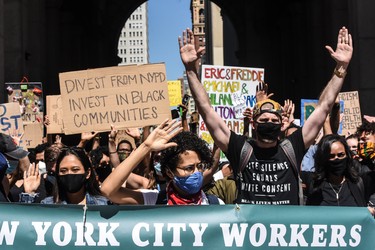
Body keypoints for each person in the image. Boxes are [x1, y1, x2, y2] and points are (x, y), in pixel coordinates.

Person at [179, 26, 353, 205]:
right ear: (254, 124)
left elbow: (324, 107)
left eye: (273, 120)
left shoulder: (293, 147)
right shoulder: (241, 149)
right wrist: (191, 71)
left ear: (280, 123)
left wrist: (341, 68)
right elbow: (206, 110)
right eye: (264, 120)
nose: (269, 123)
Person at [101, 119, 223, 205]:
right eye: (189, 168)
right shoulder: (154, 200)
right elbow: (108, 191)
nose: (196, 172)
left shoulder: (215, 204)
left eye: (200, 166)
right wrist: (146, 147)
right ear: (170, 173)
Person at [306, 134, 375, 215]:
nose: (336, 159)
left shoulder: (358, 183)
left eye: (341, 155)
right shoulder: (314, 185)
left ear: (347, 155)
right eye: (331, 156)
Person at [20, 147, 108, 205]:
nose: (69, 173)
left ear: (87, 173)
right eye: (63, 170)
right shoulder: (48, 205)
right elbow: (25, 225)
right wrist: (29, 194)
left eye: (75, 169)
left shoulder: (102, 204)